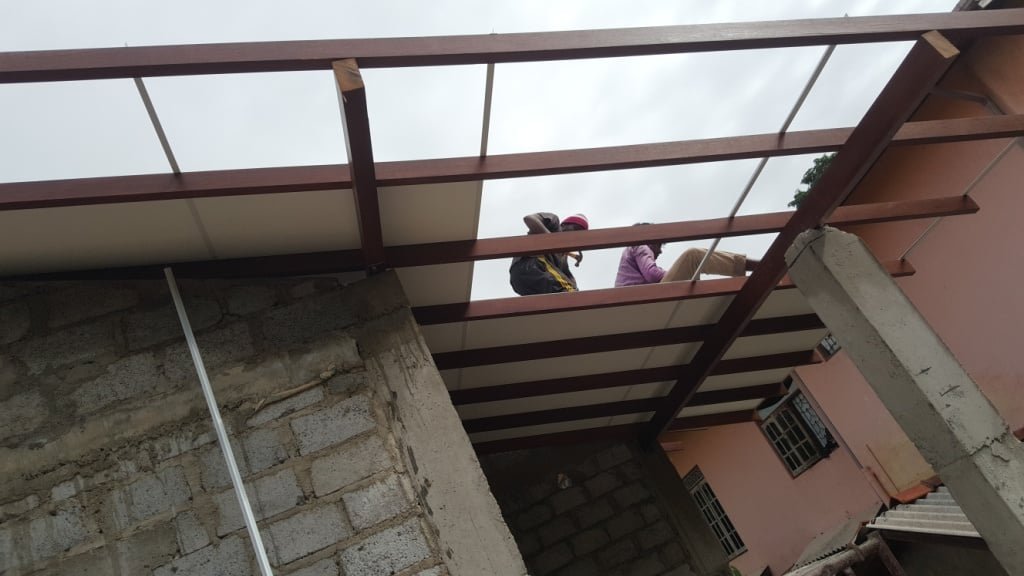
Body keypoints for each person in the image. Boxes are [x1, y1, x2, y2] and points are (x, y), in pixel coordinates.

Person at [614, 223, 757, 287]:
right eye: (659, 245)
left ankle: (747, 265)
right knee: (693, 256)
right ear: (649, 237)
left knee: (693, 272)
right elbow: (652, 275)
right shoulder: (640, 245)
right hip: (644, 300)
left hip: (637, 303)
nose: (660, 251)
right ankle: (755, 265)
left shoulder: (630, 252)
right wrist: (682, 271)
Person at [510, 212, 589, 295]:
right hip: (532, 265)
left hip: (519, 281)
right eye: (577, 229)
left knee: (568, 294)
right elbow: (529, 219)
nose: (577, 235)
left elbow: (566, 276)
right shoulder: (554, 223)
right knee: (571, 294)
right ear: (565, 225)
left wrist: (575, 287)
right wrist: (553, 241)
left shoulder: (562, 256)